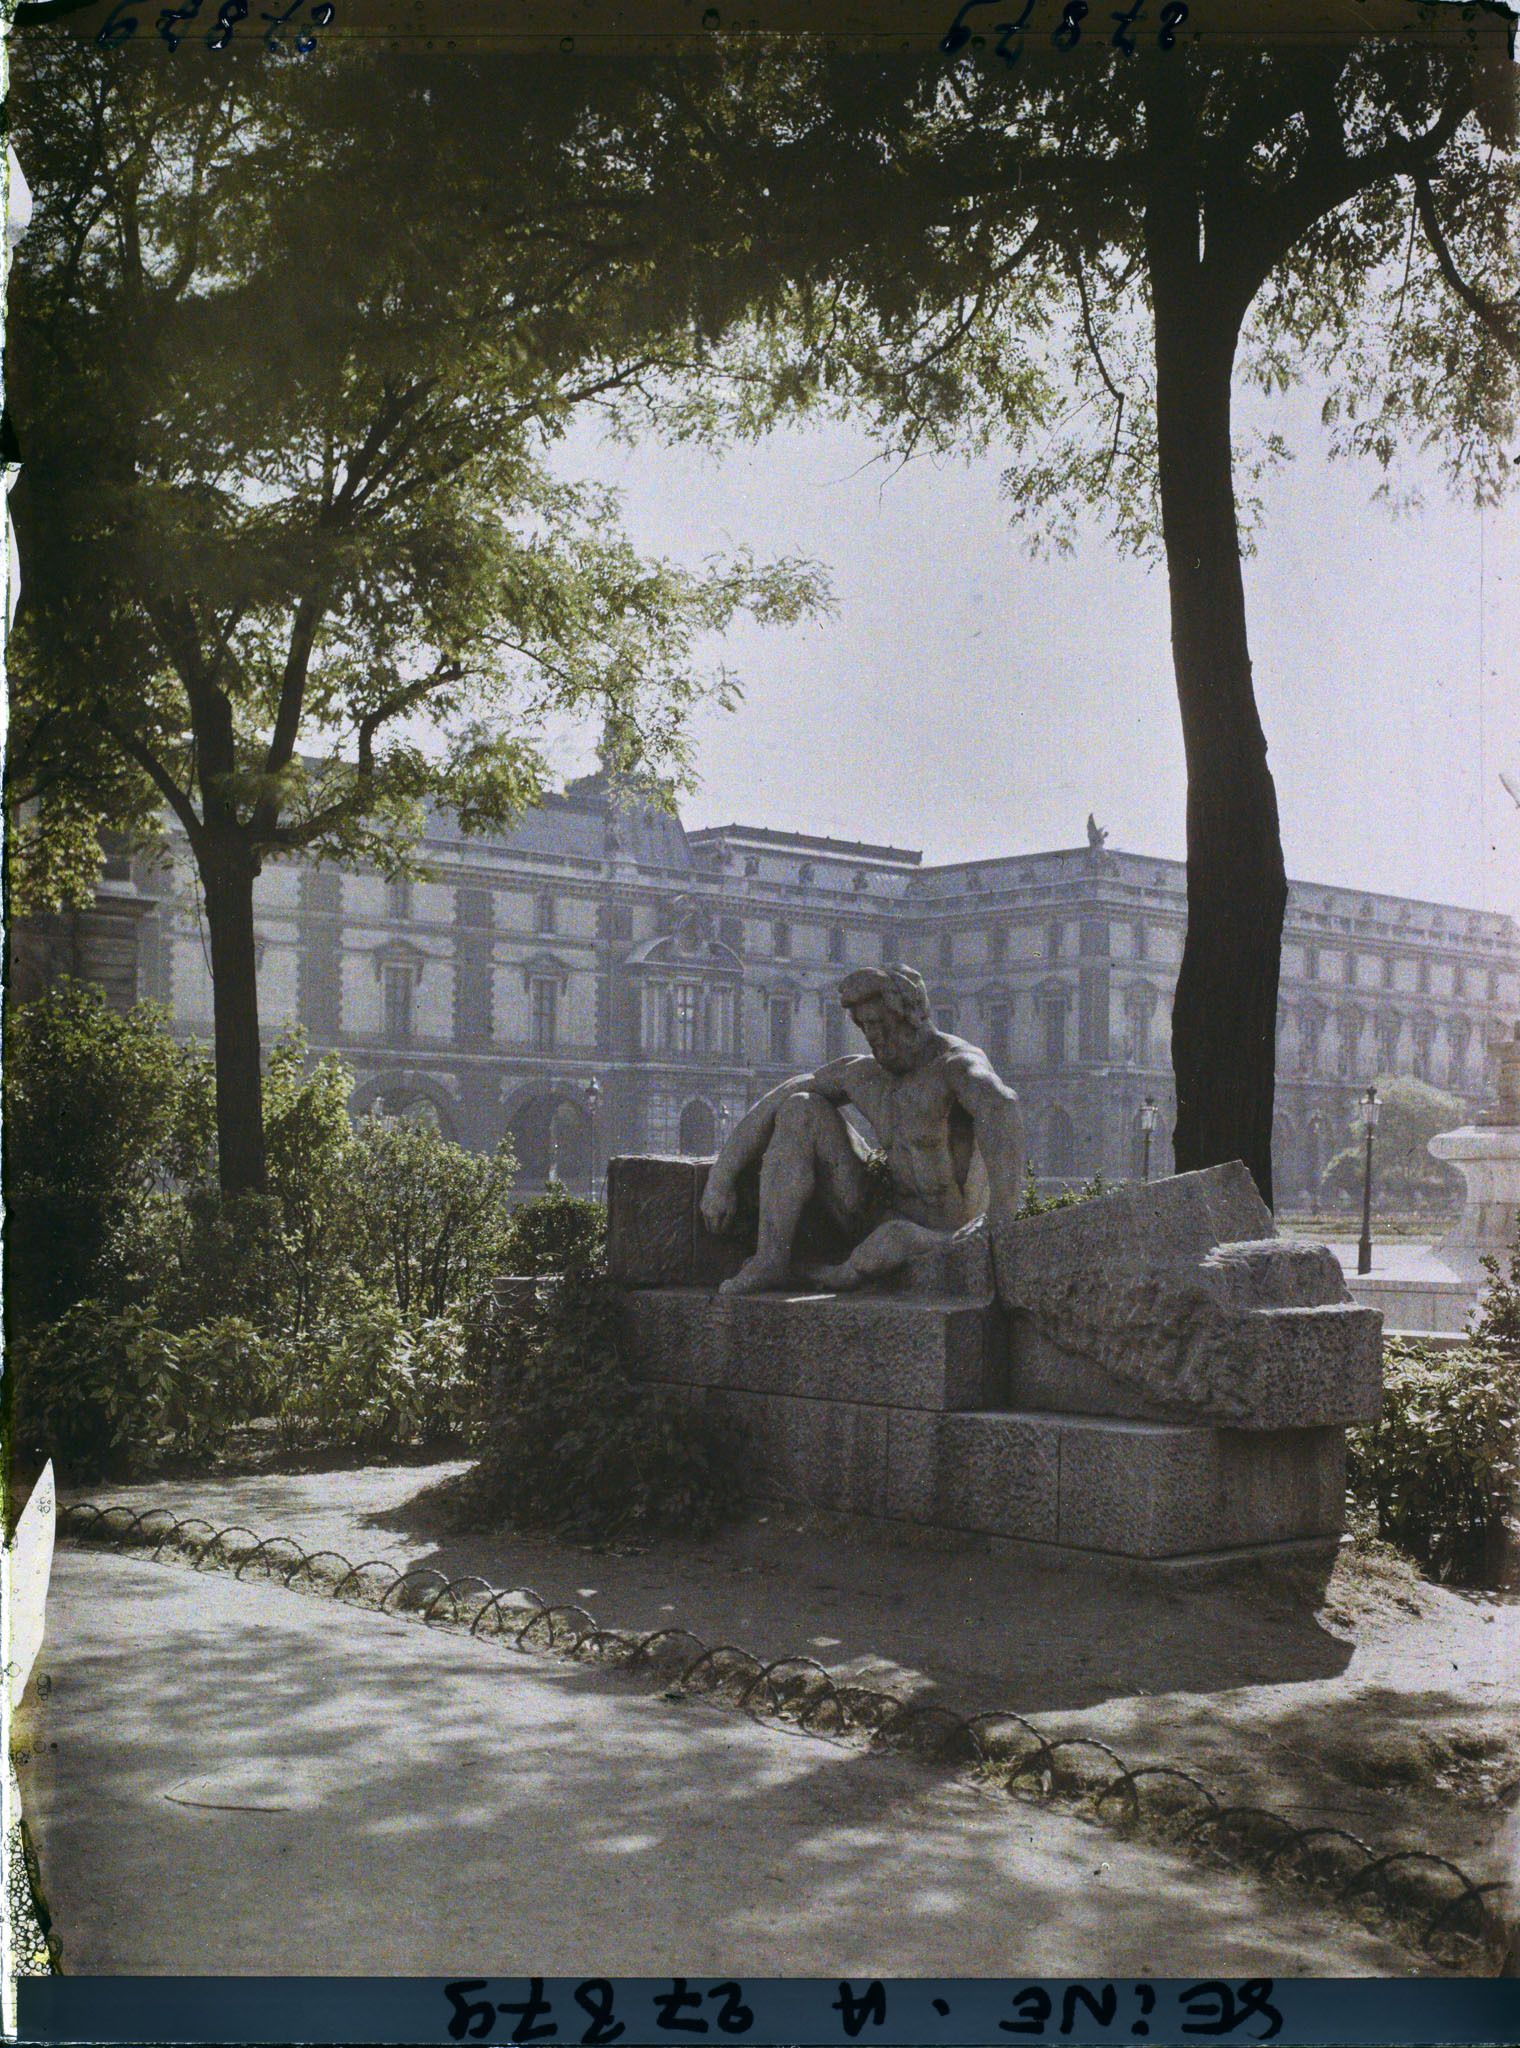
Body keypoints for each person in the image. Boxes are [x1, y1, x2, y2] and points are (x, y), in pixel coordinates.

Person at [699, 965, 1025, 1296]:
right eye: (864, 1025)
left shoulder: (955, 1066)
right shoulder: (867, 1073)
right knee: (800, 1107)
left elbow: (1001, 1106)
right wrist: (721, 1178)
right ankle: (770, 1260)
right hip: (877, 1218)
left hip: (943, 1234)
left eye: (880, 1024)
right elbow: (782, 1094)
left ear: (911, 1016)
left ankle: (843, 1271)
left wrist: (997, 1218)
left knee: (897, 1238)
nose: (872, 1036)